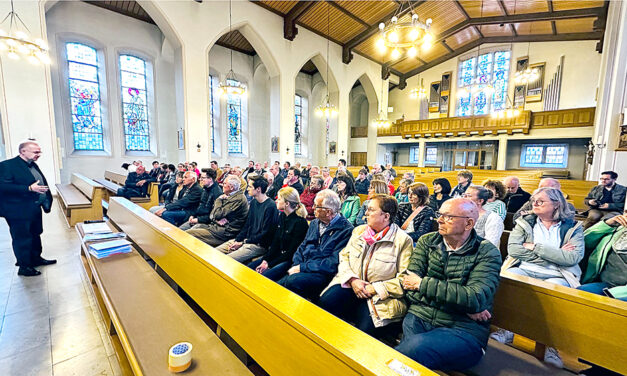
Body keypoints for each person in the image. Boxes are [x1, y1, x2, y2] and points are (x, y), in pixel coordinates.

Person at [395, 198, 502, 371]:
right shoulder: (427, 241)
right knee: (410, 360)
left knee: (410, 353)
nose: (439, 220)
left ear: (468, 224)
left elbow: (475, 298)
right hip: (419, 317)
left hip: (462, 329)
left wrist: (422, 284)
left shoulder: (486, 252)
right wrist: (462, 305)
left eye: (448, 216)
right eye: (440, 214)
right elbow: (407, 285)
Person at [496, 187, 584, 368]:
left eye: (540, 201)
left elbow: (572, 258)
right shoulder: (525, 222)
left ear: (556, 204)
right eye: (534, 200)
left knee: (555, 296)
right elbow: (514, 250)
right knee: (508, 281)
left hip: (558, 273)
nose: (534, 203)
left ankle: (552, 345)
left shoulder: (572, 227)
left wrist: (536, 247)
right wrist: (555, 255)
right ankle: (507, 329)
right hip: (525, 268)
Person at [318, 195, 413, 337]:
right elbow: (344, 257)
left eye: (371, 210)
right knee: (325, 304)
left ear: (386, 216)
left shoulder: (402, 241)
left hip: (380, 296)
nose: (365, 213)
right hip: (352, 285)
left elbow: (404, 279)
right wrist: (353, 280)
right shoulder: (359, 231)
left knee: (363, 332)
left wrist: (374, 288)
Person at [278, 190, 353, 301]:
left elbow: (332, 263)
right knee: (274, 283)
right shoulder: (314, 223)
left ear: (328, 212)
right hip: (304, 267)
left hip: (322, 273)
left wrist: (303, 268)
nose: (313, 208)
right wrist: (298, 265)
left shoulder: (346, 230)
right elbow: (302, 246)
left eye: (316, 206)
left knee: (290, 282)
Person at [0, 141, 55, 277]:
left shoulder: (32, 164)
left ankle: (36, 258)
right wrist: (29, 188)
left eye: (39, 152)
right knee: (22, 238)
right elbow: (3, 187)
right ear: (23, 151)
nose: (39, 155)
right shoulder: (7, 165)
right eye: (36, 152)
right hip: (17, 210)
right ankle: (24, 266)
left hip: (34, 207)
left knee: (35, 233)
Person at [248, 187, 309, 281]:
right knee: (249, 268)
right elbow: (275, 242)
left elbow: (291, 252)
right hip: (277, 256)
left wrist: (270, 264)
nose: (276, 200)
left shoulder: (300, 223)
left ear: (287, 203)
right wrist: (265, 260)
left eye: (279, 199)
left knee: (263, 277)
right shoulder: (283, 216)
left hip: (288, 260)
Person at [216, 175, 279, 263]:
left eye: (250, 186)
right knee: (215, 252)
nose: (247, 189)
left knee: (224, 260)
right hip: (247, 241)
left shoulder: (270, 206)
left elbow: (266, 233)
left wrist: (243, 242)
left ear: (258, 189)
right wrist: (238, 240)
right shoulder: (253, 202)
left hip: (258, 245)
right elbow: (247, 225)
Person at [185, 175, 249, 246]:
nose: (222, 185)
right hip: (216, 226)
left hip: (225, 232)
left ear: (231, 187)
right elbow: (212, 214)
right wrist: (216, 219)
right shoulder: (228, 195)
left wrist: (218, 200)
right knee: (192, 229)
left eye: (224, 183)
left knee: (188, 234)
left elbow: (217, 214)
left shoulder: (238, 199)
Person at [578, 213, 627, 301]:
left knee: (618, 305)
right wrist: (606, 225)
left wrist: (613, 293)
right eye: (626, 212)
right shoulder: (616, 229)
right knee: (581, 293)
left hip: (623, 291)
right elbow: (584, 241)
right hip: (606, 283)